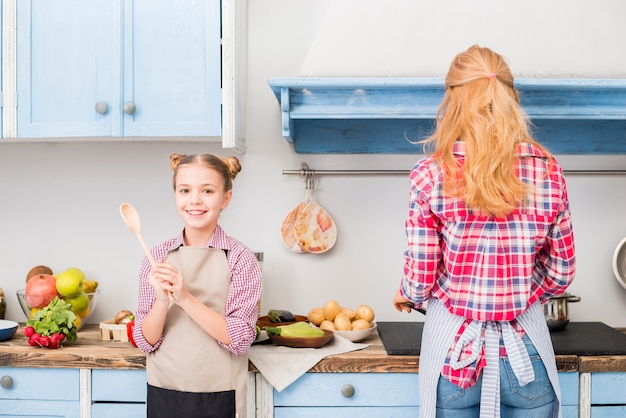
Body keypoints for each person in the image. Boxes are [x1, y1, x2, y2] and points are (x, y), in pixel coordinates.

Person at [393, 45, 576, 418]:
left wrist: (407, 293)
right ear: (511, 97)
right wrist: (517, 291)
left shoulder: (429, 174)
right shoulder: (548, 171)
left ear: (452, 100)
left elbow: (421, 279)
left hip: (455, 357)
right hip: (526, 354)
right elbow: (561, 275)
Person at [132, 153, 262, 418]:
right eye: (185, 190)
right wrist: (162, 301)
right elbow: (145, 341)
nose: (194, 200)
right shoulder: (157, 258)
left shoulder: (240, 258)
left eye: (207, 191)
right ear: (175, 195)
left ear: (225, 198)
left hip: (220, 392)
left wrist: (184, 298)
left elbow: (240, 338)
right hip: (165, 389)